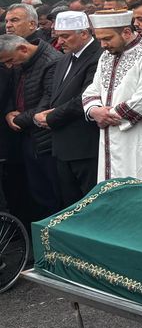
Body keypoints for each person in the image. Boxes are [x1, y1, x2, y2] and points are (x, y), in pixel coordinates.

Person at [80, 9, 142, 184]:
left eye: (107, 39)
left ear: (127, 32)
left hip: (139, 136)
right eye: (100, 40)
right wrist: (94, 111)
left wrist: (105, 116)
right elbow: (92, 90)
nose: (103, 45)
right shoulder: (106, 55)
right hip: (107, 137)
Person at [33, 11, 102, 205]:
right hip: (62, 146)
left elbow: (85, 98)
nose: (60, 41)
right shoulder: (64, 59)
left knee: (90, 203)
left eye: (66, 36)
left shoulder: (99, 56)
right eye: (58, 36)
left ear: (84, 33)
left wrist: (51, 117)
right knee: (70, 204)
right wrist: (42, 114)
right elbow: (55, 94)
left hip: (86, 146)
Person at [0, 31, 63, 219]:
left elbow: (47, 103)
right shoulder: (21, 62)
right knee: (38, 193)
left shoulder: (51, 61)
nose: (9, 66)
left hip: (46, 138)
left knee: (53, 194)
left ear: (22, 48)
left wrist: (17, 119)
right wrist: (9, 112)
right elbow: (12, 92)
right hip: (29, 137)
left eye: (10, 60)